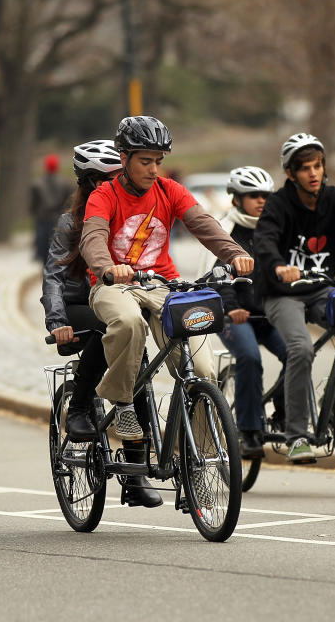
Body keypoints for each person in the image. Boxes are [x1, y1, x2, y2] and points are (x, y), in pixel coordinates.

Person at [79, 116, 253, 447]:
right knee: (129, 322)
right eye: (145, 161)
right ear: (124, 159)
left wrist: (234, 254)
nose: (154, 169)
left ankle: (200, 459)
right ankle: (124, 402)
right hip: (114, 285)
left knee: (203, 371)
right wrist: (108, 267)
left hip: (163, 285)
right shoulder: (104, 195)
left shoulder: (169, 190)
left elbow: (204, 224)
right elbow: (93, 238)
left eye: (159, 161)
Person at [41, 139, 160, 508]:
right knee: (109, 327)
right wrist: (57, 319)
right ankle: (78, 405)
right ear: (92, 183)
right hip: (80, 305)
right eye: (110, 178)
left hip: (119, 300)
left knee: (137, 360)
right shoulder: (71, 223)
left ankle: (135, 474)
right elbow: (54, 277)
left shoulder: (129, 215)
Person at [253, 133, 335, 463]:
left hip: (323, 289)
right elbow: (264, 242)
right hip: (283, 293)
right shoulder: (278, 205)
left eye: (318, 166)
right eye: (305, 168)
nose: (313, 173)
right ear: (291, 174)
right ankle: (297, 436)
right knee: (301, 348)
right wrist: (279, 266)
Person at [196, 166, 288, 459]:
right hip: (234, 316)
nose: (261, 201)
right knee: (249, 356)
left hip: (268, 315)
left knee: (299, 352)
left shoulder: (275, 231)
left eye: (265, 195)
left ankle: (286, 416)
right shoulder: (225, 232)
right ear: (236, 199)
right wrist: (233, 308)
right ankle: (249, 432)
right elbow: (216, 277)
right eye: (253, 195)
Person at [31, 154, 74, 264]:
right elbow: (68, 202)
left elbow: (33, 205)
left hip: (42, 219)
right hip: (58, 218)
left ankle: (42, 262)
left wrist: (34, 213)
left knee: (42, 245)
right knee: (58, 245)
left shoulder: (37, 184)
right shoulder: (65, 183)